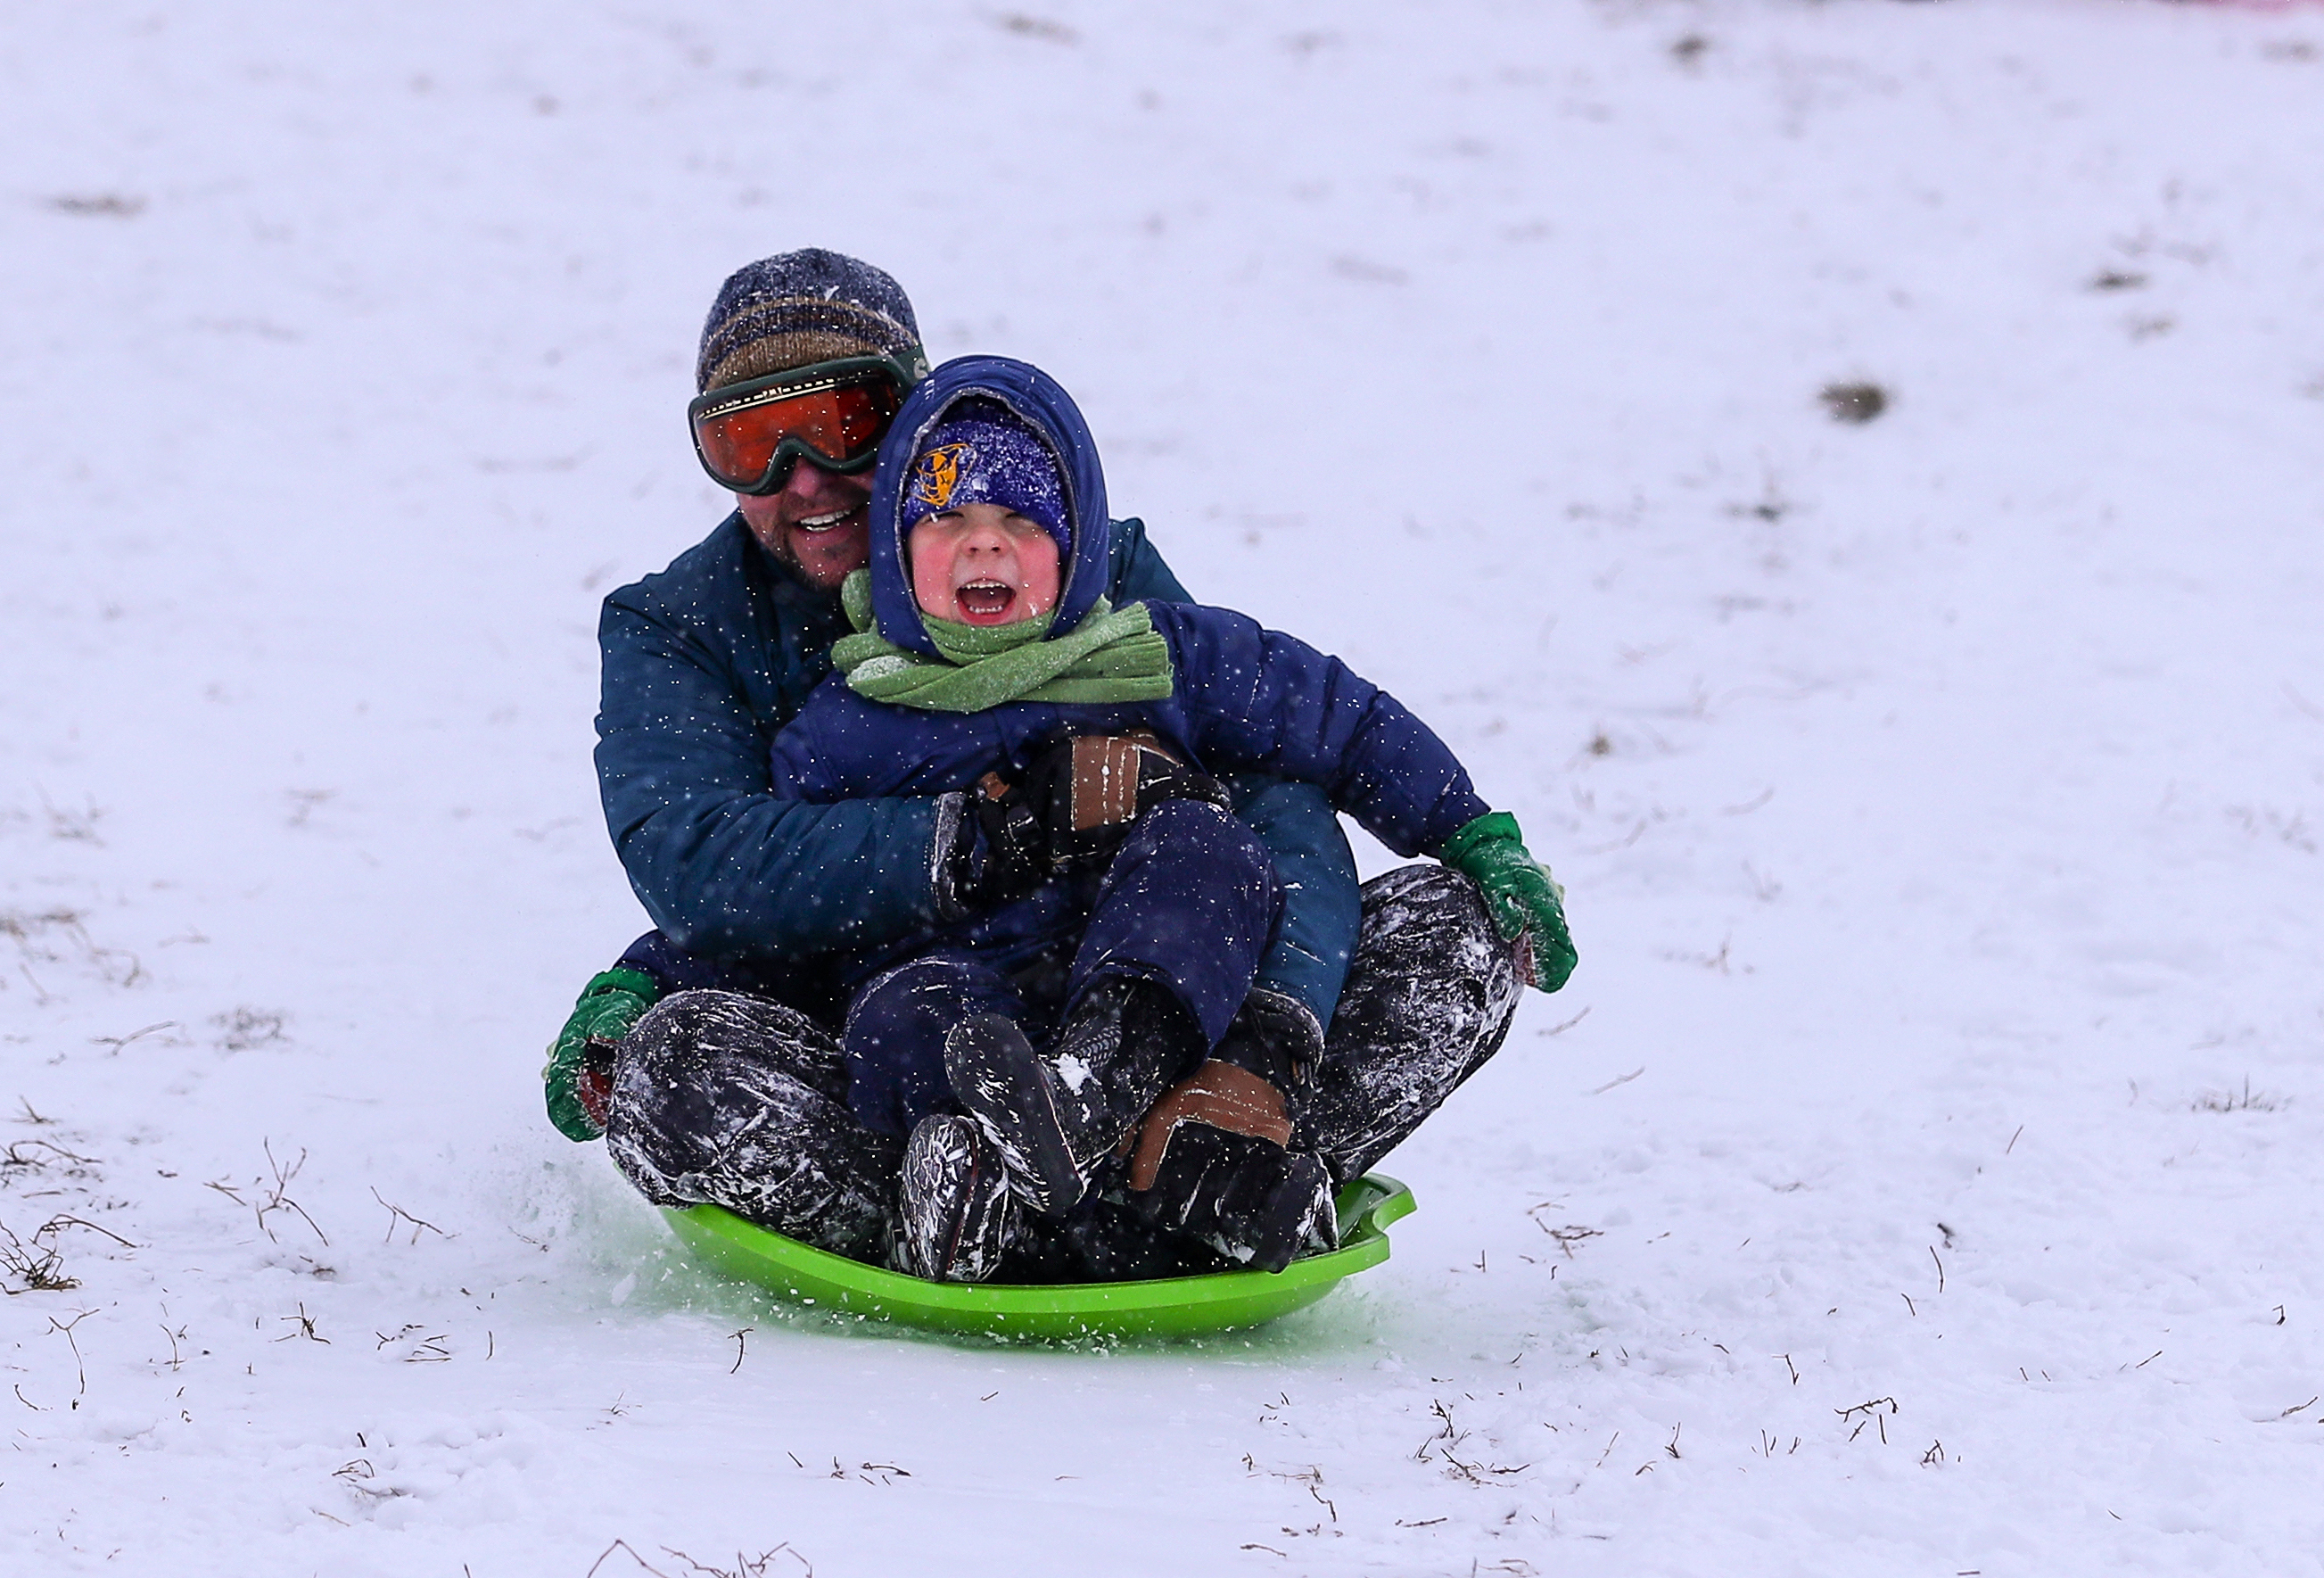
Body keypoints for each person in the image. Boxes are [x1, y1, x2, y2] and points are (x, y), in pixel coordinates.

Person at [541, 250, 1571, 1276]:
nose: (801, 475)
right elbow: (711, 871)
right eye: (751, 438)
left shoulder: (1088, 574)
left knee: (1456, 933)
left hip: (1143, 995)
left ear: (911, 415)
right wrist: (990, 833)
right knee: (670, 1072)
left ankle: (1206, 1151)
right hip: (902, 1019)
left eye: (844, 422)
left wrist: (1265, 1040)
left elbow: (1269, 780)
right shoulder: (687, 633)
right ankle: (981, 1203)